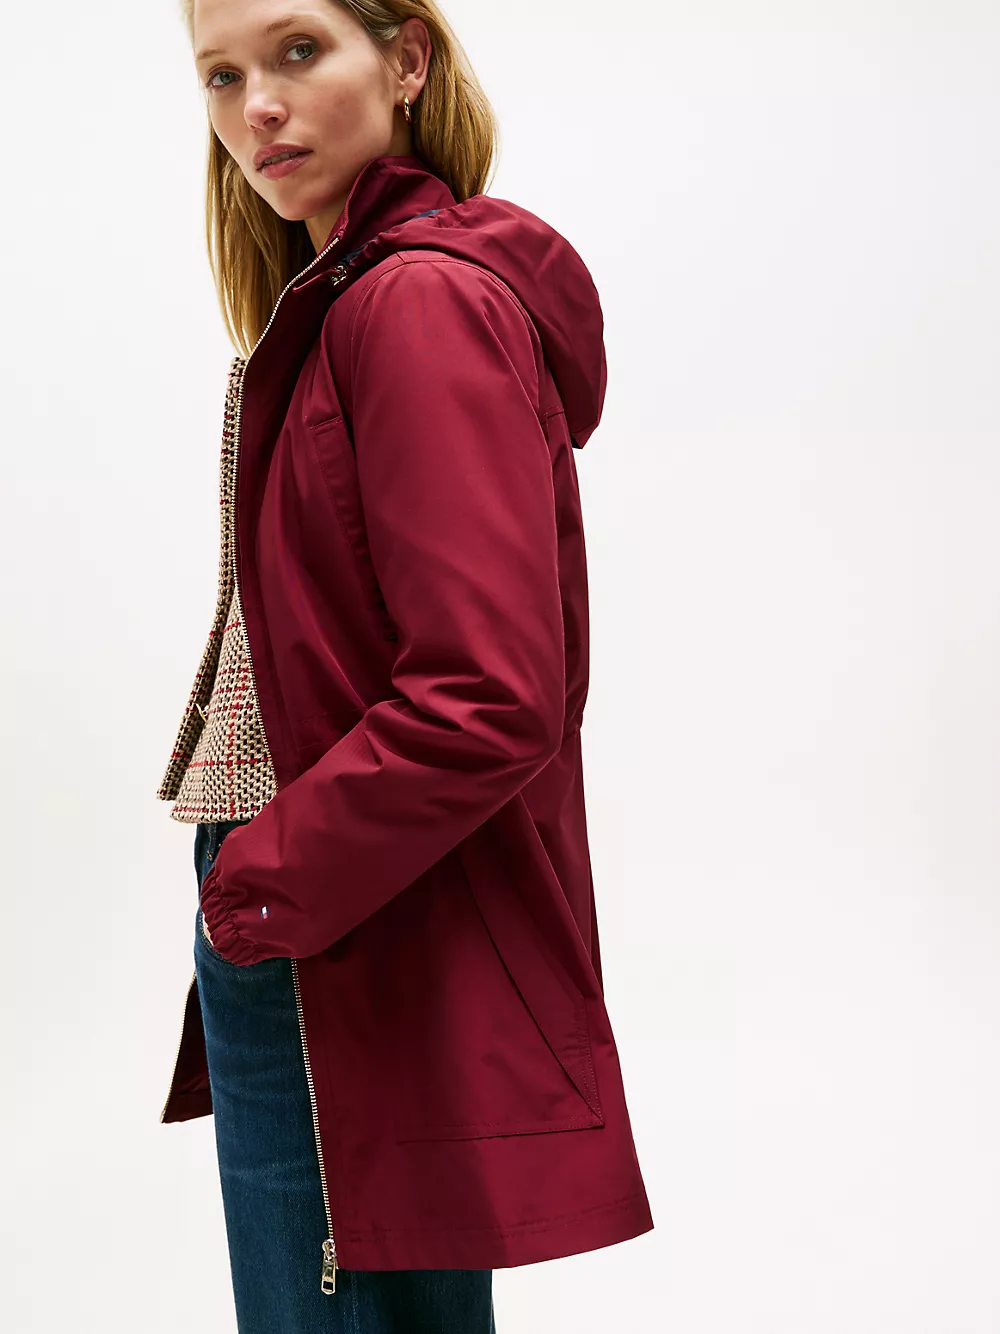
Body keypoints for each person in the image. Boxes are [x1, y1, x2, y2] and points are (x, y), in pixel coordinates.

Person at [156, 1, 654, 1330]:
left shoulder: (413, 303)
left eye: (297, 50)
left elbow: (488, 694)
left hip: (328, 898)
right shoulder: (349, 301)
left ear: (408, 61)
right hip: (351, 886)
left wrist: (260, 882)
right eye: (221, 75)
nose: (257, 106)